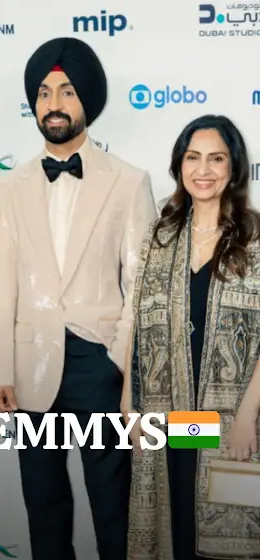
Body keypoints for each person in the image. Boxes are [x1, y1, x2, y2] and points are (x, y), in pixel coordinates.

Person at [0, 37, 157, 560]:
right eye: (43, 93)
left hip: (98, 362)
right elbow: (2, 280)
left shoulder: (129, 182)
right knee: (43, 504)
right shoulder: (11, 185)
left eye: (66, 91)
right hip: (30, 361)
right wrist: (0, 368)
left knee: (113, 503)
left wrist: (119, 361)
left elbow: (142, 285)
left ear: (88, 100)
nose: (53, 104)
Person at [123, 114, 260, 559]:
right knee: (177, 519)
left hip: (232, 420)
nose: (203, 170)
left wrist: (247, 416)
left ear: (233, 168)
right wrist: (130, 405)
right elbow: (139, 329)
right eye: (192, 157)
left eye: (216, 159)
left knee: (224, 527)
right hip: (169, 416)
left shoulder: (255, 238)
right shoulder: (160, 237)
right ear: (179, 165)